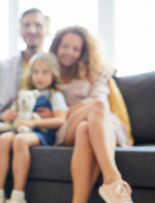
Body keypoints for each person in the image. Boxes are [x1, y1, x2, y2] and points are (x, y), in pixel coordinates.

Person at [47, 26, 133, 203]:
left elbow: (99, 100)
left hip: (101, 123)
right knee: (94, 107)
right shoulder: (48, 73)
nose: (69, 52)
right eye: (65, 46)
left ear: (84, 52)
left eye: (75, 48)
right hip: (67, 125)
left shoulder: (95, 72)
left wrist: (66, 110)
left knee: (85, 128)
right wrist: (69, 111)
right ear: (56, 47)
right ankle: (113, 181)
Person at [0, 52, 68, 203]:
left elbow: (60, 120)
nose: (39, 76)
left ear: (54, 74)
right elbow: (14, 113)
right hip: (19, 127)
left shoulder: (54, 95)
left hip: (42, 133)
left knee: (20, 140)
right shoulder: (24, 93)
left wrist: (33, 123)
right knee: (4, 139)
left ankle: (17, 196)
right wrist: (6, 116)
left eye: (45, 72)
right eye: (36, 71)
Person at [0, 8, 50, 141]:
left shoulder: (54, 67)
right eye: (26, 25)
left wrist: (52, 114)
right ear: (21, 31)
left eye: (38, 25)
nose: (32, 30)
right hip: (1, 124)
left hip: (36, 127)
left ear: (47, 30)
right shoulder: (2, 66)